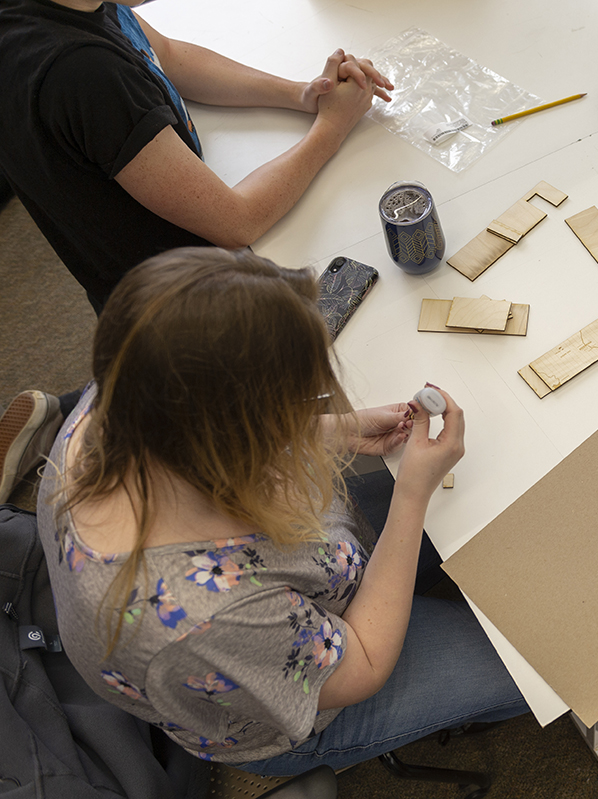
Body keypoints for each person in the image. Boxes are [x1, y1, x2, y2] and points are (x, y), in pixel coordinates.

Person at [35, 247, 528, 773]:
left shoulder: (126, 394)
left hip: (298, 579)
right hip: (309, 686)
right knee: (539, 665)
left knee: (498, 504)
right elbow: (360, 662)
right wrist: (411, 496)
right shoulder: (196, 615)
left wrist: (337, 427)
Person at [0, 0, 393, 314]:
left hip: (134, 280)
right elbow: (237, 220)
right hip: (186, 306)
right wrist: (332, 127)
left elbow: (164, 53)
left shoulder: (74, 6)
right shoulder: (86, 73)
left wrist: (301, 94)